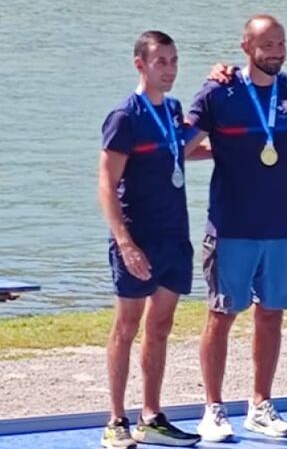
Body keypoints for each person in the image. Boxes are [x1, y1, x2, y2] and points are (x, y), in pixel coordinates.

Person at [187, 15, 287, 442]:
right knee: (222, 315)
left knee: (271, 316)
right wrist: (225, 149)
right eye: (267, 45)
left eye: (281, 43)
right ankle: (213, 409)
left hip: (280, 226)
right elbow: (181, 147)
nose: (277, 52)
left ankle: (260, 406)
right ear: (246, 46)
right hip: (231, 227)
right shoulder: (220, 91)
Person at [98, 31, 205, 448]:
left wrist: (235, 148)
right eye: (161, 61)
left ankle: (151, 417)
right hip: (137, 238)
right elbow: (106, 184)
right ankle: (115, 421)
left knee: (160, 326)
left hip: (173, 236)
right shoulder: (125, 116)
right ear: (140, 64)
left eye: (174, 60)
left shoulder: (173, 109)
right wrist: (125, 243)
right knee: (127, 326)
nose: (170, 69)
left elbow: (176, 151)